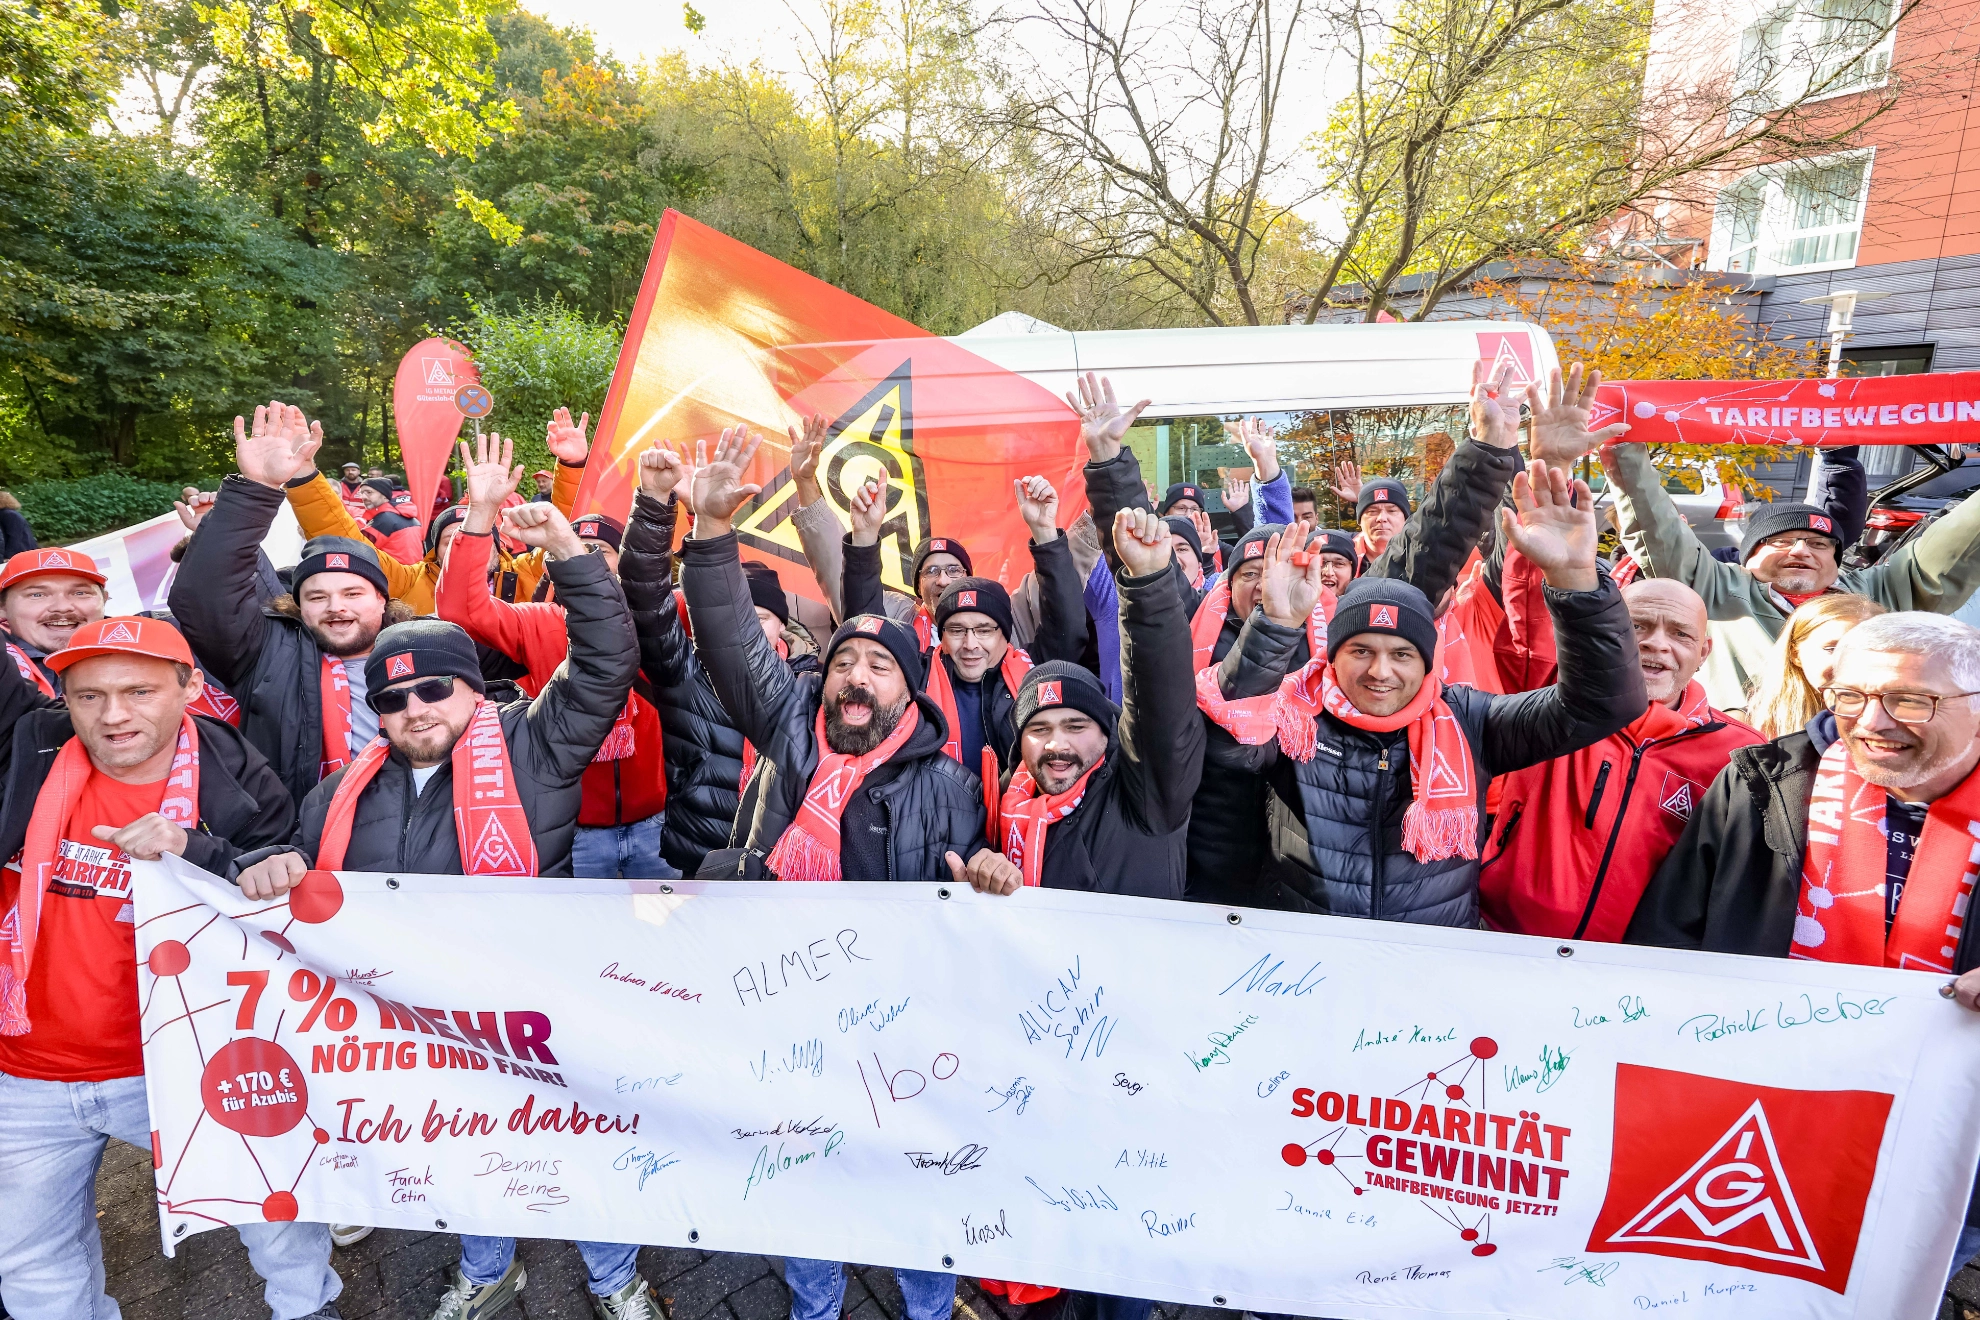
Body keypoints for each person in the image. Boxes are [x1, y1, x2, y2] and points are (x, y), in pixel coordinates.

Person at [232, 500, 651, 1320]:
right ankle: (489, 1269)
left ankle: (615, 1279)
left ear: (471, 688)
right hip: (423, 1032)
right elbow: (286, 871)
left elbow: (605, 660)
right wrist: (256, 864)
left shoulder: (536, 742)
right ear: (376, 711)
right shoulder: (335, 797)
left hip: (541, 1006)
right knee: (465, 1153)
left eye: (434, 688)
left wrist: (565, 548)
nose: (416, 709)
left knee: (576, 1147)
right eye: (394, 699)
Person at [0, 617, 338, 1320]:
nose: (113, 714)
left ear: (189, 688)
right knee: (30, 1258)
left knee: (273, 1208)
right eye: (88, 696)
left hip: (185, 1057)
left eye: (138, 691)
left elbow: (277, 874)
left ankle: (308, 1310)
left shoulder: (237, 776)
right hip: (26, 1070)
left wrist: (196, 848)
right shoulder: (27, 753)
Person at [1626, 611, 1980, 1279]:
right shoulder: (1764, 782)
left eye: (1909, 699)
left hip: (1943, 1145)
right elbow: (1669, 940)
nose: (1873, 721)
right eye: (1850, 697)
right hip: (1761, 1129)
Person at [1218, 459, 1644, 924]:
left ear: (1427, 664)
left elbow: (1603, 703)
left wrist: (1578, 585)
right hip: (1305, 955)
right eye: (1360, 650)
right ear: (1330, 655)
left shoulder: (1469, 720)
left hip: (1431, 960)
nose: (1380, 671)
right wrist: (1275, 627)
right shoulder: (1296, 715)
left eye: (1402, 655)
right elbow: (1232, 741)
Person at [678, 427, 986, 880]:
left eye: (879, 666)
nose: (857, 676)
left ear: (909, 692)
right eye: (842, 663)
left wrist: (988, 873)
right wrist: (710, 527)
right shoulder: (788, 728)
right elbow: (731, 636)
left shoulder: (953, 790)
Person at [437, 434, 671, 879]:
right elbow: (460, 610)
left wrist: (682, 506)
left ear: (622, 561)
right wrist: (481, 514)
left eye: (599, 552)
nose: (587, 561)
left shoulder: (659, 617)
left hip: (656, 822)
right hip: (574, 830)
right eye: (573, 552)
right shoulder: (539, 621)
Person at [1604, 433, 1980, 708]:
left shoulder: (1880, 593)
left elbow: (1958, 542)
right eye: (1781, 541)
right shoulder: (1714, 588)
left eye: (1819, 544)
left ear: (1836, 561)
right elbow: (1657, 528)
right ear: (1748, 556)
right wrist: (1624, 446)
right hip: (1740, 761)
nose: (1801, 550)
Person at [1477, 578, 1762, 940]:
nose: (1656, 643)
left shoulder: (1740, 754)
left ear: (1703, 652)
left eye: (1680, 634)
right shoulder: (1549, 704)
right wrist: (1566, 568)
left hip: (1635, 973)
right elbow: (1530, 613)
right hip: (1504, 940)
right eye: (1636, 625)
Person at [945, 504, 1205, 899]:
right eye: (1039, 728)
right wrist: (985, 870)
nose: (1056, 744)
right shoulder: (1005, 806)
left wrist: (1150, 585)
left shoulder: (1148, 796)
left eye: (1076, 725)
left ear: (1107, 733)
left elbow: (1162, 705)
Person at [171, 404, 417, 811]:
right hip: (293, 839)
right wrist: (255, 488)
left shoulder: (425, 653)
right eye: (317, 597)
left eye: (352, 594)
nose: (336, 607)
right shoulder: (264, 654)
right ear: (297, 605)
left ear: (382, 598)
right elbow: (202, 597)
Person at [620, 444, 820, 876]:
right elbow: (645, 601)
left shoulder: (812, 686)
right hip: (694, 860)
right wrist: (656, 505)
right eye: (739, 617)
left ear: (783, 626)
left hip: (779, 867)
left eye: (759, 618)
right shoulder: (685, 673)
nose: (746, 629)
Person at [842, 473, 1087, 780]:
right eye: (956, 630)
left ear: (1004, 632)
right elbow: (865, 634)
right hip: (937, 820)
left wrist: (1044, 531)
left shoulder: (1035, 673)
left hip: (1021, 819)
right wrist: (864, 538)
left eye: (984, 630)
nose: (971, 644)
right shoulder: (916, 676)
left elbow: (1067, 622)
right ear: (940, 635)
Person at [278, 403, 590, 612]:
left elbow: (566, 528)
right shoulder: (408, 581)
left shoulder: (526, 573)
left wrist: (573, 464)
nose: (464, 543)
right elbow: (342, 541)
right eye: (450, 539)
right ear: (433, 551)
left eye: (475, 535)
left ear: (498, 544)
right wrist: (303, 474)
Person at [1742, 593, 1887, 739]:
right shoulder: (1748, 726)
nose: (1851, 663)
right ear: (1795, 655)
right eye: (1832, 649)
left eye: (1868, 649)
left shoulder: (1902, 718)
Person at [0, 549, 109, 696]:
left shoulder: (145, 656)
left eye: (80, 593)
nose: (62, 607)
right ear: (2, 607)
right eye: (37, 595)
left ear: (104, 600)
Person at [353, 478, 424, 562]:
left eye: (369, 492)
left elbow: (359, 548)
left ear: (384, 495)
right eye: (362, 493)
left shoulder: (383, 520)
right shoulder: (410, 517)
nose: (363, 497)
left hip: (393, 572)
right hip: (415, 571)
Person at [0, 491, 37, 559]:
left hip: (21, 552)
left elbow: (14, 536)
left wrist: (8, 555)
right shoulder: (10, 513)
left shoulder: (8, 514)